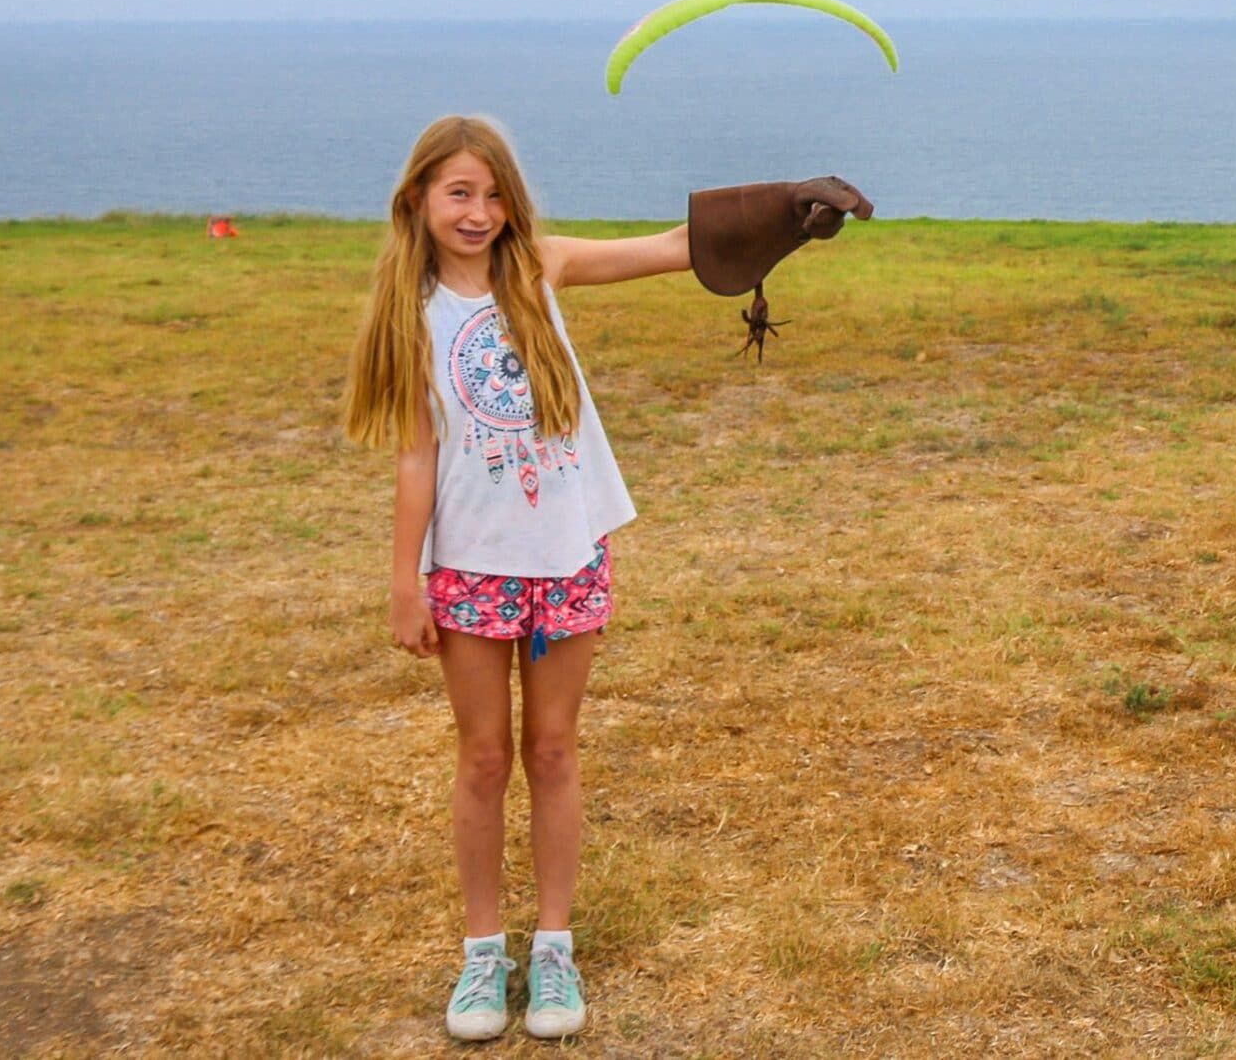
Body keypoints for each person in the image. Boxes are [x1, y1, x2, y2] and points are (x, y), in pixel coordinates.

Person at [343, 114, 868, 1041]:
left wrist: (787, 210)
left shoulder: (538, 267)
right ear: (418, 198)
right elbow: (417, 457)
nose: (479, 211)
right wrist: (402, 579)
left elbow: (671, 247)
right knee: (481, 757)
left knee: (551, 750)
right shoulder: (408, 307)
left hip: (565, 553)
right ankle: (479, 955)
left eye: (493, 192)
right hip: (469, 566)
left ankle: (552, 946)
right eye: (458, 192)